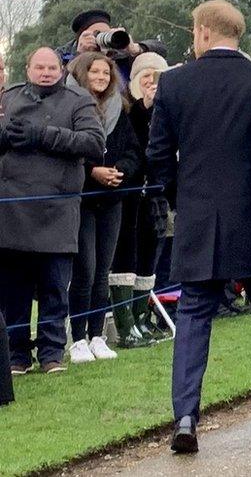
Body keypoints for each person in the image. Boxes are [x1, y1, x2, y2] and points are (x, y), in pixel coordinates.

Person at [147, 0, 251, 454]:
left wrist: (182, 199)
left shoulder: (174, 83)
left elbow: (159, 156)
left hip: (198, 213)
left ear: (202, 32)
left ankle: (186, 416)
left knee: (194, 313)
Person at [0, 47, 105, 375]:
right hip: (12, 210)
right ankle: (16, 354)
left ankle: (51, 354)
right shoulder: (9, 98)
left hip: (57, 210)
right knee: (14, 289)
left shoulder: (78, 101)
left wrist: (42, 136)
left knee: (54, 287)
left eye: (51, 68)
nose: (45, 73)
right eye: (39, 67)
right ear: (27, 68)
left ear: (61, 69)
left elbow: (93, 144)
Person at [64, 52, 142, 363]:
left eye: (105, 73)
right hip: (82, 200)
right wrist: (92, 171)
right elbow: (67, 151)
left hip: (111, 200)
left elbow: (135, 152)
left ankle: (97, 334)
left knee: (102, 272)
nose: (101, 77)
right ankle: (78, 337)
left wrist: (119, 170)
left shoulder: (118, 109)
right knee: (85, 269)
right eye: (94, 72)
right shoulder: (69, 105)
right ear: (83, 73)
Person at [112, 52, 172, 348]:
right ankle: (126, 326)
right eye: (145, 77)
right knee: (127, 255)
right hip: (132, 193)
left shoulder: (171, 109)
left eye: (156, 77)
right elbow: (134, 144)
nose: (151, 82)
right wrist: (146, 106)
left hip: (156, 194)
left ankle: (141, 318)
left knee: (149, 256)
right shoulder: (127, 110)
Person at [56, 9, 167, 82]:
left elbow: (161, 51)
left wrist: (135, 48)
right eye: (97, 34)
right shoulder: (63, 55)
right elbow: (57, 84)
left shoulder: (120, 54)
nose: (102, 38)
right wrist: (79, 56)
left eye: (106, 33)